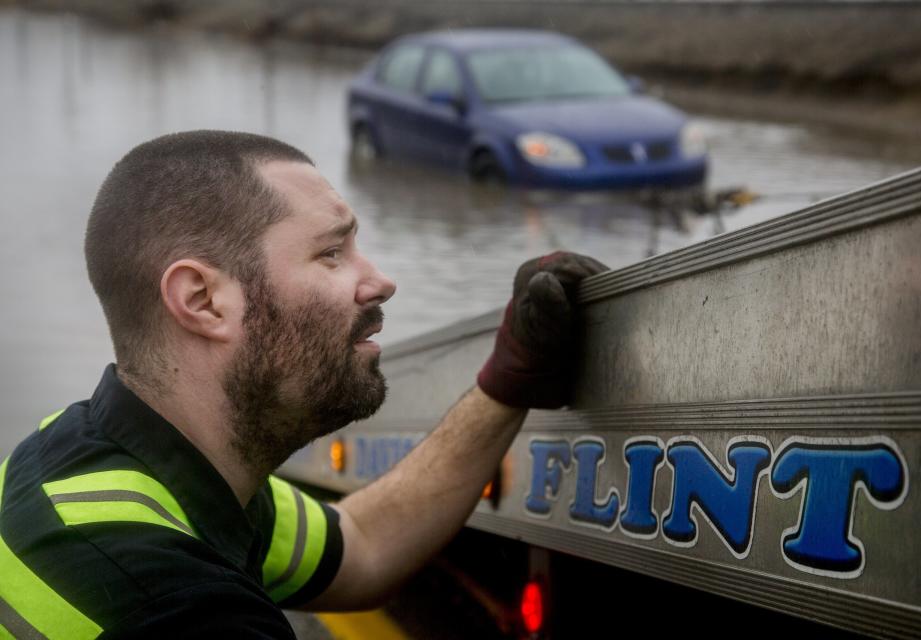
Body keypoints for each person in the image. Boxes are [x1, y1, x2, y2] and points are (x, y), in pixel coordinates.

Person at [0, 130, 607, 638]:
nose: (380, 281)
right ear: (203, 300)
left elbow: (363, 544)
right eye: (331, 253)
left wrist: (504, 386)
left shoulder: (100, 455)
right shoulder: (179, 608)